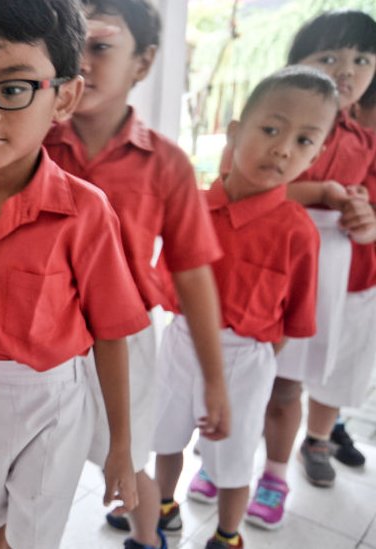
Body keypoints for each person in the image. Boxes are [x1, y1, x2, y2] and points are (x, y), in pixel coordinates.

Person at [0, 1, 149, 547]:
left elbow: (112, 330)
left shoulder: (86, 210)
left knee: (35, 535)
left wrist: (121, 444)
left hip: (54, 400)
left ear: (65, 97)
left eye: (13, 89)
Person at [44, 2, 227, 548]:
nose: (81, 61)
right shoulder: (30, 143)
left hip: (123, 339)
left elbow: (192, 273)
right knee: (40, 459)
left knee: (129, 459)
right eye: (70, 45)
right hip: (41, 338)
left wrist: (215, 379)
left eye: (99, 46)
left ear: (143, 63)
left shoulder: (166, 163)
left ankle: (149, 539)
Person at [154, 66, 336, 549]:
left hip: (246, 357)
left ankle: (227, 534)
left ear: (317, 155)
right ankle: (163, 508)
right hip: (179, 343)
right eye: (271, 129)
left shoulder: (299, 231)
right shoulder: (188, 206)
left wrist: (251, 359)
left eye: (303, 141)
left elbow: (293, 318)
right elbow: (163, 278)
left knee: (233, 456)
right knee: (165, 435)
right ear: (235, 132)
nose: (282, 148)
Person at [223, 10, 376, 532]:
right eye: (329, 57)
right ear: (297, 65)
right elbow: (236, 184)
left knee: (289, 384)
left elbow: (363, 208)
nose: (347, 70)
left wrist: (362, 219)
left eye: (361, 59)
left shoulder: (361, 138)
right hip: (263, 262)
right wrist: (322, 193)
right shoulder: (271, 120)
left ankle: (274, 474)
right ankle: (227, 467)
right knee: (243, 374)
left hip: (326, 271)